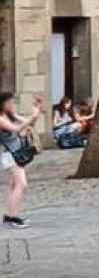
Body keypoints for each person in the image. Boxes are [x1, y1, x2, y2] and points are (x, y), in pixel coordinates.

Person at [0, 92, 44, 229]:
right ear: (3, 104)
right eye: (10, 102)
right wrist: (34, 115)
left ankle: (11, 215)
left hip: (16, 154)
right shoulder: (1, 119)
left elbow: (28, 123)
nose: (13, 104)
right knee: (21, 184)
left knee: (14, 186)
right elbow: (17, 128)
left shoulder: (11, 116)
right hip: (10, 155)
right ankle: (11, 218)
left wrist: (36, 110)